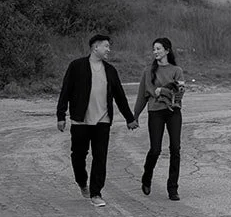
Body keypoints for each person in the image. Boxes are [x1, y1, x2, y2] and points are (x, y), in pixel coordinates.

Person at [56, 33, 136, 207]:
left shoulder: (110, 70)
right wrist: (61, 116)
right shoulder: (76, 66)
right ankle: (82, 181)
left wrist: (130, 118)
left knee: (100, 157)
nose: (109, 50)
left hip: (103, 120)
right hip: (80, 121)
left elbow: (120, 97)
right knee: (78, 157)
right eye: (106, 46)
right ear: (95, 47)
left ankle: (96, 193)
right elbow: (66, 91)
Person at [131, 36, 185, 201]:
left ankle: (173, 188)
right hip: (155, 112)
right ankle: (147, 177)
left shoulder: (177, 70)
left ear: (167, 50)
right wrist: (135, 116)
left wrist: (163, 90)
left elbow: (180, 92)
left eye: (158, 49)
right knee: (155, 149)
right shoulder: (148, 71)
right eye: (154, 49)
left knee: (175, 149)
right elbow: (143, 95)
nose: (155, 52)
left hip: (174, 112)